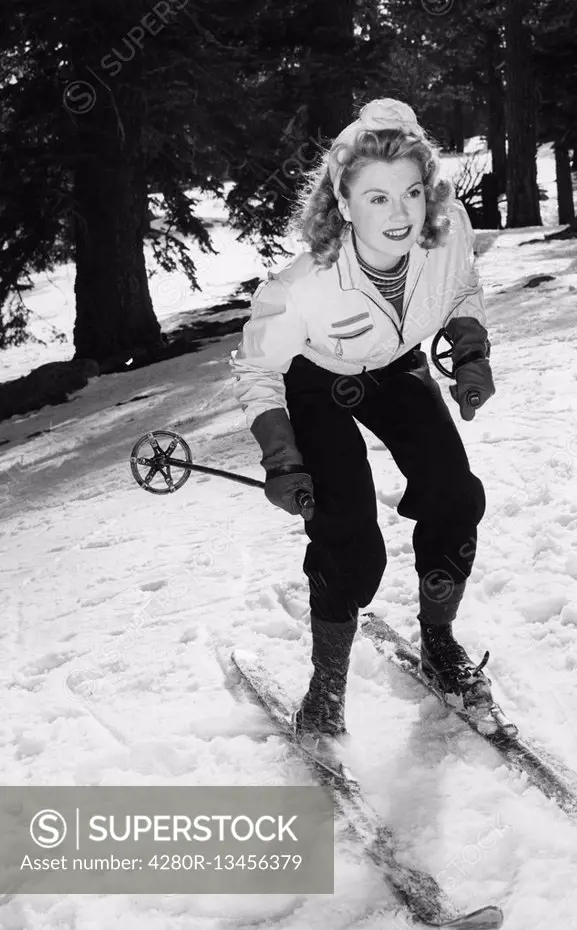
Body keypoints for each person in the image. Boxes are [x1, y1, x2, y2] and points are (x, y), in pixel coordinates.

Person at [230, 98, 495, 744]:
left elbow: (460, 286)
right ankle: (325, 687)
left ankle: (439, 640)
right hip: (320, 379)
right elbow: (258, 369)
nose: (400, 212)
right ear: (343, 203)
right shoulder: (303, 288)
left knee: (455, 496)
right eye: (376, 197)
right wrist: (281, 457)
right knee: (351, 535)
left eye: (411, 191)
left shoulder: (448, 228)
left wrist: (470, 350)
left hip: (397, 364)